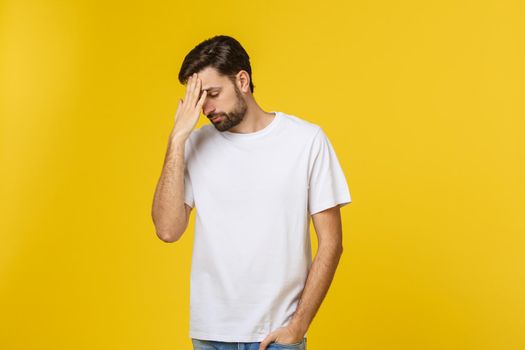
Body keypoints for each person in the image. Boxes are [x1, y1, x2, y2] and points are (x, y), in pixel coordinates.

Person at [151, 35, 352, 350]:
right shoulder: (194, 144)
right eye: (197, 99)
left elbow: (331, 242)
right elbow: (167, 229)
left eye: (213, 94)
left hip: (278, 337)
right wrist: (177, 139)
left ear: (242, 80)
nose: (205, 108)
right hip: (211, 335)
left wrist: (298, 324)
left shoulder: (306, 141)